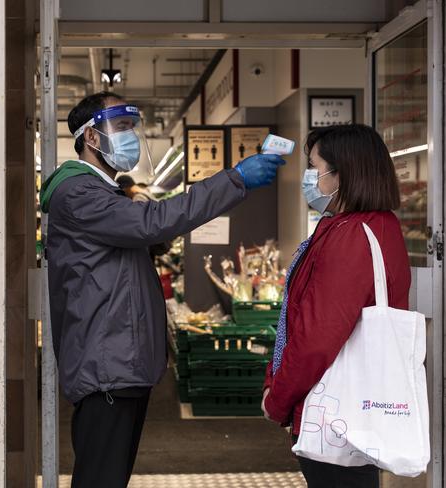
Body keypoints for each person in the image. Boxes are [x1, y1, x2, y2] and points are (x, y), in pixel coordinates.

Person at [40, 91, 285, 488]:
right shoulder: (78, 193)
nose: (131, 136)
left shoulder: (104, 191)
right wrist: (235, 179)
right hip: (107, 366)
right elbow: (152, 223)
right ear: (92, 137)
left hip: (119, 361)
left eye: (131, 127)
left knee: (109, 476)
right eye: (121, 127)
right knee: (100, 478)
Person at [261, 124, 410, 488]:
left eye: (314, 168)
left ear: (341, 174)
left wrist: (277, 399)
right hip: (351, 406)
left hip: (335, 412)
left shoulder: (351, 236)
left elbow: (316, 336)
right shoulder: (372, 225)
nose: (309, 179)